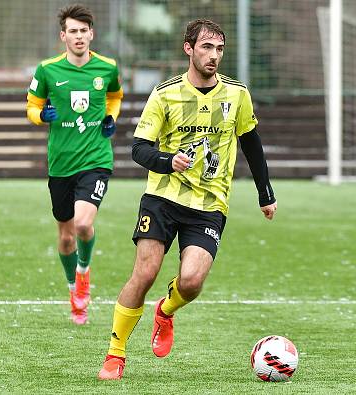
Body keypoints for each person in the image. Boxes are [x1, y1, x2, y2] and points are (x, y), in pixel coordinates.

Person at [98, 19, 277, 380]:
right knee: (145, 272)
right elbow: (138, 149)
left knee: (192, 281)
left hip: (209, 205)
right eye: (207, 47)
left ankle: (165, 310)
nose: (214, 56)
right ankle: (115, 355)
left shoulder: (237, 94)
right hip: (162, 198)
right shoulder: (165, 94)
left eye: (220, 49)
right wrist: (168, 161)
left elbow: (251, 144)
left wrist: (265, 193)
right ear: (189, 49)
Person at [25, 4, 123, 325]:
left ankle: (84, 272)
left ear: (91, 34)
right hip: (60, 164)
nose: (79, 36)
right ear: (63, 36)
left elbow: (115, 96)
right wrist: (42, 116)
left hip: (96, 159)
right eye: (73, 31)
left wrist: (111, 117)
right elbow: (31, 107)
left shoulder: (107, 68)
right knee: (66, 237)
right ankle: (73, 289)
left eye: (84, 31)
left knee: (83, 224)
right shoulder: (47, 70)